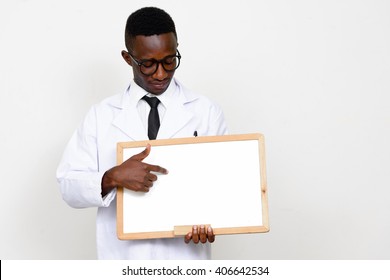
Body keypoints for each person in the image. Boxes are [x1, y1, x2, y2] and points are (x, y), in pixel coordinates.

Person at [56, 6, 227, 259]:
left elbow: (225, 184)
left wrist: (214, 220)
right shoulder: (101, 115)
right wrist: (112, 177)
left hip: (186, 258)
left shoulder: (206, 111)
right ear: (128, 58)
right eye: (148, 64)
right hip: (124, 259)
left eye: (169, 61)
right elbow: (68, 186)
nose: (161, 73)